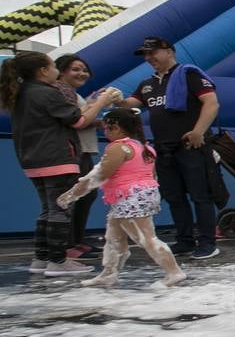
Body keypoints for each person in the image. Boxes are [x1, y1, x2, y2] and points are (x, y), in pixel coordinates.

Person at [1, 51, 119, 275]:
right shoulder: (47, 93)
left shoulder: (21, 93)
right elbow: (79, 120)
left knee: (48, 208)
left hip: (32, 159)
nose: (56, 70)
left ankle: (42, 258)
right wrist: (103, 101)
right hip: (57, 157)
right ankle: (58, 260)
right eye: (53, 67)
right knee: (61, 207)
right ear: (43, 71)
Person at [55, 109, 186, 288]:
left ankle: (174, 272)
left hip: (130, 198)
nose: (105, 133)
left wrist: (70, 195)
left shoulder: (118, 147)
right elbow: (152, 176)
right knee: (114, 236)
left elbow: (99, 175)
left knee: (145, 237)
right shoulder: (145, 147)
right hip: (141, 195)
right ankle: (108, 273)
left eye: (106, 129)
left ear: (116, 128)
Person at [120, 37, 221, 260]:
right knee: (174, 197)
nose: (148, 58)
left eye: (152, 52)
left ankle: (208, 242)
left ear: (168, 51)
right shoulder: (147, 84)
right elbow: (129, 105)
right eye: (145, 55)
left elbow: (211, 102)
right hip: (164, 150)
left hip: (191, 145)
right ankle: (185, 241)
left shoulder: (189, 74)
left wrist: (198, 131)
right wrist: (113, 99)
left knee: (200, 196)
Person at [54, 54, 101, 259]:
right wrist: (97, 106)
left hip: (84, 149)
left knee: (86, 194)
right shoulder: (61, 92)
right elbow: (77, 120)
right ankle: (67, 244)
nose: (81, 73)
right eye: (75, 69)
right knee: (73, 195)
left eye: (84, 69)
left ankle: (76, 240)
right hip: (73, 151)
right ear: (61, 71)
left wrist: (93, 112)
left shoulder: (73, 93)